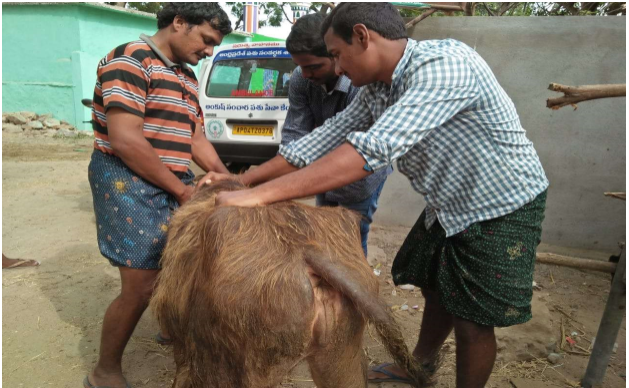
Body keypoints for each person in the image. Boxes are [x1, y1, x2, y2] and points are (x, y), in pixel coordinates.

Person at [205, 3, 549, 388]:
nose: (336, 69)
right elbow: (324, 139)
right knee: (436, 288)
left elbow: (368, 153)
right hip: (448, 203)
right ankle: (419, 366)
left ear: (363, 37)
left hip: (499, 203)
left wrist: (260, 197)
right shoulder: (378, 89)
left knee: (471, 322)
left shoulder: (447, 66)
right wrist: (246, 180)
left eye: (336, 55)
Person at [84, 3, 231, 388]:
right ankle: (104, 372)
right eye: (206, 40)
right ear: (179, 23)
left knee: (176, 260)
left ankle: (169, 327)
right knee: (141, 284)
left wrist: (226, 177)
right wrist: (182, 190)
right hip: (125, 178)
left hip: (169, 176)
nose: (209, 52)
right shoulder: (130, 60)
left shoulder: (186, 75)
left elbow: (194, 136)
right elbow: (126, 139)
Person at [213, 13, 390, 257]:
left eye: (313, 66)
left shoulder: (363, 84)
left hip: (360, 179)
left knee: (350, 242)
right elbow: (300, 139)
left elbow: (357, 154)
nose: (305, 74)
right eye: (300, 66)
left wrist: (262, 191)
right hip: (322, 169)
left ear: (335, 54)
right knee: (320, 236)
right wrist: (244, 182)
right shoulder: (301, 78)